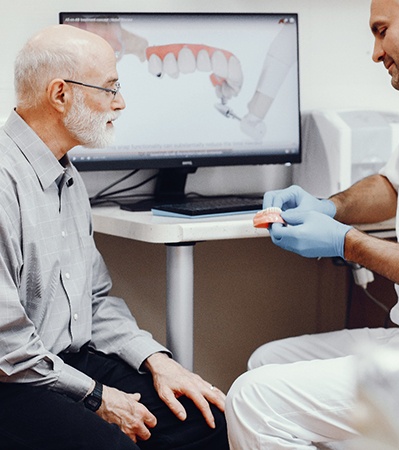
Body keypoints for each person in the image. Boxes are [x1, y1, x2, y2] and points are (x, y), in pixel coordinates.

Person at [225, 0, 399, 448]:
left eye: (381, 30)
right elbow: (393, 183)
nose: (374, 51)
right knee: (266, 363)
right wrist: (327, 207)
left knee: (255, 399)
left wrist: (347, 243)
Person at [0, 24, 229, 450]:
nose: (120, 103)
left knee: (209, 421)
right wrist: (98, 398)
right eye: (110, 88)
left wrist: (158, 361)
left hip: (68, 362)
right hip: (14, 380)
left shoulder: (65, 175)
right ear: (60, 95)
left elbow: (94, 299)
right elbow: (6, 348)